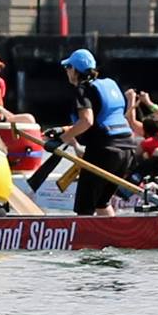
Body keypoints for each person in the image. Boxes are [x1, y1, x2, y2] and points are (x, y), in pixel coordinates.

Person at [55, 49, 133, 215]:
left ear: (75, 70)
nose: (67, 71)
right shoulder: (110, 84)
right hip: (127, 150)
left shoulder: (83, 89)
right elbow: (105, 118)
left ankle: (83, 241)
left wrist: (63, 138)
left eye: (68, 67)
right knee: (101, 203)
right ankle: (116, 239)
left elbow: (87, 121)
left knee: (85, 208)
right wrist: (69, 136)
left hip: (104, 151)